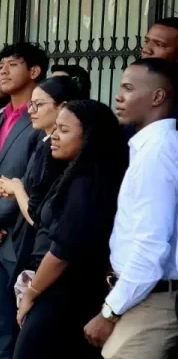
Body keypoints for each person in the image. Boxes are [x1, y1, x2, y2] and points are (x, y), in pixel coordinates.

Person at [11, 100, 126, 358]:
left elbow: (63, 251)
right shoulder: (76, 173)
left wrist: (31, 294)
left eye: (63, 130)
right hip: (60, 290)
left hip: (65, 294)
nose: (54, 136)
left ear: (89, 136)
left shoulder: (88, 183)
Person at [84, 58, 178, 359]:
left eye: (128, 88)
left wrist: (109, 313)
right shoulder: (151, 147)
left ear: (157, 97)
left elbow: (151, 246)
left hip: (152, 298)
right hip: (141, 293)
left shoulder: (157, 153)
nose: (118, 96)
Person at [0, 42, 48, 359]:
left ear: (34, 72)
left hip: (21, 237)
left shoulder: (39, 120)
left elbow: (34, 179)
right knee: (1, 325)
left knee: (27, 328)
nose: (2, 70)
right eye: (0, 64)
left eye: (12, 64)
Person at [0, 76, 82, 279]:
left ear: (63, 107)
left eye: (39, 105)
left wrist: (17, 189)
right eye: (31, 104)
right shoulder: (45, 143)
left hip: (46, 254)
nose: (30, 110)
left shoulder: (58, 152)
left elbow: (37, 216)